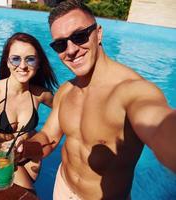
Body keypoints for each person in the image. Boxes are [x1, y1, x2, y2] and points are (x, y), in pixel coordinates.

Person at [18, 1, 176, 199]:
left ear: (98, 33)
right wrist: (23, 149)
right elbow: (49, 138)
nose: (71, 49)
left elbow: (160, 126)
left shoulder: (132, 91)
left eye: (79, 36)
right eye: (60, 44)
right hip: (62, 187)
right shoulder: (66, 90)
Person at [0, 32, 58, 190]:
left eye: (30, 59)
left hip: (31, 164)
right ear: (7, 62)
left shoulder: (40, 94)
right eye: (16, 58)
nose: (23, 65)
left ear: (38, 63)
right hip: (3, 161)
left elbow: (64, 109)